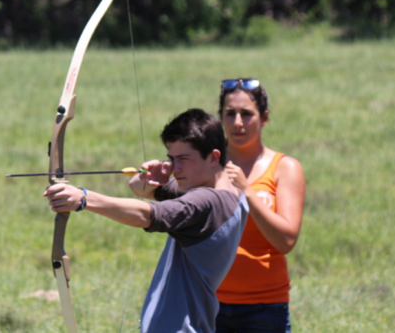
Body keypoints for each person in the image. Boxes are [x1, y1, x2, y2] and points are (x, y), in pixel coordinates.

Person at [44, 108, 249, 333]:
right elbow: (140, 189)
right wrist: (152, 179)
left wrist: (84, 198)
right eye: (171, 158)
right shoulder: (230, 195)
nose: (174, 168)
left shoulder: (207, 201)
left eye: (183, 159)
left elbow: (147, 214)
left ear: (213, 157)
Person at [130, 79, 306, 332]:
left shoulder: (285, 168)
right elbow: (152, 193)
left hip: (264, 305)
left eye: (247, 114)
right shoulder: (201, 164)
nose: (237, 123)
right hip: (209, 300)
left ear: (264, 117)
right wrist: (156, 174)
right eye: (229, 114)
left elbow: (286, 241)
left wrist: (247, 192)